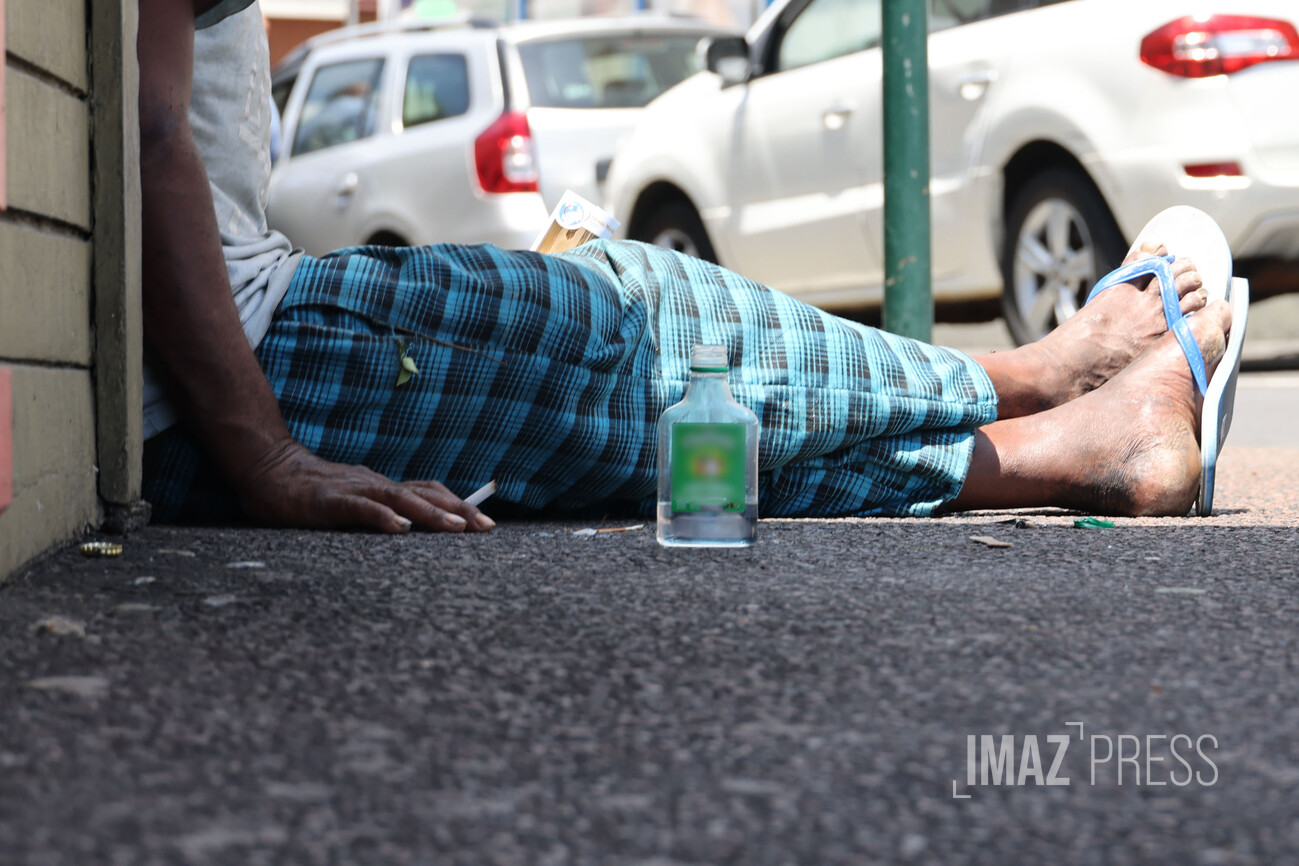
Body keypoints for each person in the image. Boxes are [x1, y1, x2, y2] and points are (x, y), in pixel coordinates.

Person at [137, 0, 1233, 533]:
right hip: (260, 357)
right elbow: (150, 130)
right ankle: (1038, 375)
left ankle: (1083, 450)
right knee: (640, 320)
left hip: (202, 401)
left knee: (674, 453)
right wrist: (266, 454)